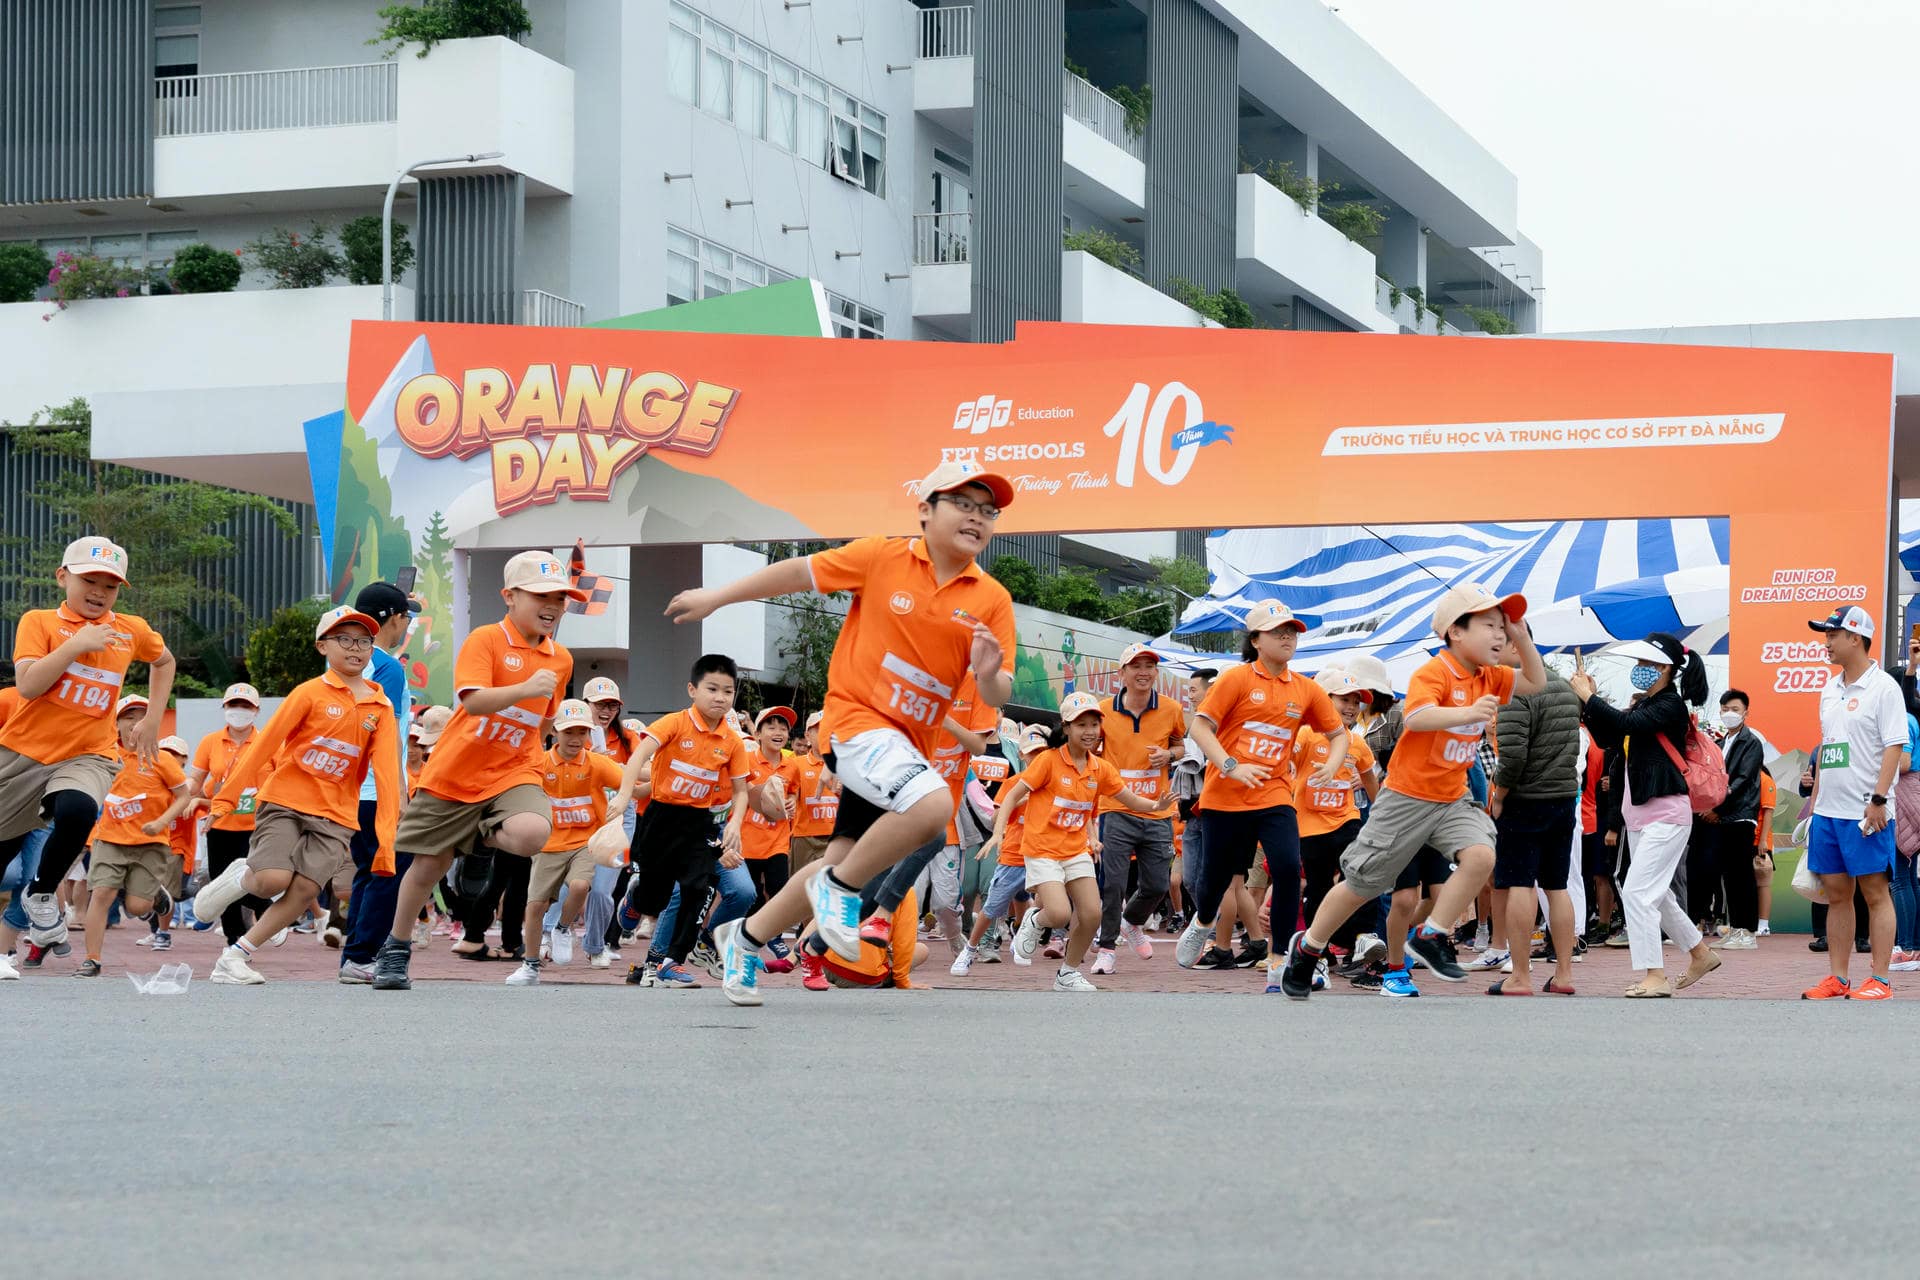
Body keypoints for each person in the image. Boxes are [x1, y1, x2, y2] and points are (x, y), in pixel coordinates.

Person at [664, 460, 1017, 1008]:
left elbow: (996, 695)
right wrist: (717, 597)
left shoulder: (991, 598)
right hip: (854, 724)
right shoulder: (880, 557)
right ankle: (842, 894)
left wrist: (989, 672)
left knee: (838, 857)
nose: (978, 517)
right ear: (925, 511)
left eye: (988, 511)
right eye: (964, 505)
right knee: (931, 811)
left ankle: (746, 937)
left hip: (904, 751)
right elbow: (796, 573)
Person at [1276, 583, 1547, 1000]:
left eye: (1504, 627)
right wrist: (1468, 712)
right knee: (1361, 885)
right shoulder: (1434, 672)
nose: (1501, 635)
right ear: (1456, 632)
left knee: (1481, 856)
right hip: (1405, 799)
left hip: (1452, 798)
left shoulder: (1490, 676)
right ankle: (1308, 948)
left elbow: (1536, 680)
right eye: (1491, 626)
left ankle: (1433, 934)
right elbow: (1418, 718)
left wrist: (1523, 636)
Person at [370, 551, 583, 990]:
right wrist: (524, 687)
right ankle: (395, 948)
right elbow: (472, 701)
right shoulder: (486, 640)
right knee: (427, 867)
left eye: (560, 597)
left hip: (514, 770)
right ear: (509, 596)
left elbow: (543, 721)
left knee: (531, 835)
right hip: (455, 772)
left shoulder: (561, 659)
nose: (553, 605)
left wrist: (537, 744)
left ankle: (483, 843)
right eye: (542, 595)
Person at [195, 606, 404, 985]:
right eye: (344, 639)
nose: (355, 648)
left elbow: (388, 775)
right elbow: (264, 747)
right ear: (322, 646)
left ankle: (235, 957)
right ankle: (242, 876)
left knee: (305, 889)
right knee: (272, 880)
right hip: (286, 801)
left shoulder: (381, 707)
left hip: (337, 815)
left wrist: (386, 843)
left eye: (364, 641)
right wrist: (224, 799)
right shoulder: (308, 693)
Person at [0, 537, 175, 953]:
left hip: (88, 754)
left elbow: (163, 660)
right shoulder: (38, 622)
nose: (98, 592)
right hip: (23, 755)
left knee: (79, 810)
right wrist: (76, 644)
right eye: (88, 580)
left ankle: (42, 893)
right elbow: (28, 684)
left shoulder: (130, 629)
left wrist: (152, 719)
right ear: (63, 577)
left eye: (110, 586)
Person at [1176, 600, 1346, 985]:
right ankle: (1202, 922)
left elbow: (1337, 734)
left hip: (1274, 795)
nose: (1287, 637)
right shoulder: (1236, 680)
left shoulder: (1305, 688)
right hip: (1224, 797)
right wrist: (1232, 766)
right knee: (1215, 880)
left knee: (1287, 868)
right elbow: (1200, 729)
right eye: (1277, 631)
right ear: (1255, 640)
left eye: (1292, 631)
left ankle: (1278, 958)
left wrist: (1333, 765)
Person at [983, 692, 1176, 992]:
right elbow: (1011, 794)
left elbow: (1128, 798)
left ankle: (1068, 973)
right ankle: (1034, 921)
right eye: (1081, 725)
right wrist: (998, 833)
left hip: (1076, 851)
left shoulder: (1100, 769)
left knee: (1091, 913)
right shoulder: (1047, 761)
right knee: (1059, 912)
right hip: (1043, 850)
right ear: (1066, 728)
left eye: (1094, 725)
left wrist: (1155, 806)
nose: (1089, 732)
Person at [1569, 632, 1722, 998]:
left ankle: (1655, 975)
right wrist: (1588, 699)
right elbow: (1609, 737)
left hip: (1667, 814)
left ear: (1667, 669)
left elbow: (1628, 727)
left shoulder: (1670, 705)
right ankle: (1699, 953)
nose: (1640, 670)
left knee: (1638, 893)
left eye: (1648, 664)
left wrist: (1591, 698)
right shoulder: (1644, 705)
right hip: (1640, 816)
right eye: (1639, 664)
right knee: (1656, 893)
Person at [601, 654, 752, 989]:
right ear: (692, 690)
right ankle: (634, 900)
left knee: (697, 889)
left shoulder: (732, 741)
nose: (720, 697)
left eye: (727, 692)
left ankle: (672, 961)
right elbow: (638, 755)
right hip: (661, 817)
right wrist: (625, 796)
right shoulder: (674, 723)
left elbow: (741, 792)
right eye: (712, 689)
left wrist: (735, 824)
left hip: (698, 822)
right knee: (655, 898)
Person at [1799, 605, 1905, 1000]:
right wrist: (1815, 801)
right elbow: (1829, 746)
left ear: (1855, 638)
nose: (1826, 643)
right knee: (1838, 896)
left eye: (1832, 635)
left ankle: (1880, 979)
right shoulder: (1830, 689)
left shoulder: (1884, 688)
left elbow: (1895, 746)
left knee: (1875, 892)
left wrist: (1879, 799)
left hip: (1866, 810)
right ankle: (1838, 977)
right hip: (1828, 812)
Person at [71, 697, 195, 976]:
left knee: (137, 907)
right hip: (109, 839)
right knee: (101, 893)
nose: (135, 723)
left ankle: (155, 897)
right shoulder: (104, 755)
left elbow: (183, 796)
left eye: (142, 716)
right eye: (128, 717)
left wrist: (161, 820)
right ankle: (92, 960)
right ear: (116, 724)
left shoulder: (161, 758)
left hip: (150, 844)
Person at [505, 700, 626, 987]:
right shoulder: (540, 764)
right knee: (534, 906)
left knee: (581, 886)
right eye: (569, 732)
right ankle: (530, 966)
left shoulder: (597, 763)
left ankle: (562, 928)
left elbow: (632, 781)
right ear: (554, 733)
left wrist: (656, 781)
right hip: (547, 846)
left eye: (582, 733)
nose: (576, 739)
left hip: (586, 843)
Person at [1484, 644, 1582, 995]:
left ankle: (1520, 976)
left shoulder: (1516, 690)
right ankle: (1564, 975)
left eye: (1500, 643)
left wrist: (1499, 796)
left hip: (1525, 800)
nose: (1493, 652)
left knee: (1520, 883)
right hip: (1562, 798)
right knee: (1556, 887)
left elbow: (1511, 756)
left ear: (1517, 646)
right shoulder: (1567, 691)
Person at [336, 582, 415, 984]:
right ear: (392, 618)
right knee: (389, 871)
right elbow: (390, 732)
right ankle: (363, 954)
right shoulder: (387, 667)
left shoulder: (348, 663)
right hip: (377, 787)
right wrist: (398, 790)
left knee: (369, 871)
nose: (407, 624)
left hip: (350, 787)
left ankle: (354, 956)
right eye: (406, 616)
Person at [1092, 644, 1186, 974]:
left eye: (1149, 665)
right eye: (1135, 666)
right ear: (1122, 674)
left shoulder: (1172, 708)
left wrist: (1169, 756)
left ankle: (1132, 922)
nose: (1143, 671)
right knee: (1113, 883)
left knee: (1159, 885)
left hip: (1158, 811)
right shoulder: (1103, 711)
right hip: (1115, 808)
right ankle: (1106, 949)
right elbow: (1089, 747)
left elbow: (1181, 744)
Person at [1292, 668, 1382, 989]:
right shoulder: (1305, 735)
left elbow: (1373, 787)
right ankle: (1319, 956)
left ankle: (1362, 936)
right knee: (1317, 888)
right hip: (1309, 827)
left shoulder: (1357, 743)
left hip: (1347, 819)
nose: (1351, 707)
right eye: (1344, 699)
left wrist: (1385, 820)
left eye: (1356, 702)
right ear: (1324, 699)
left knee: (1361, 872)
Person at [950, 724, 1050, 976]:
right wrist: (1023, 799)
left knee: (1052, 902)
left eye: (1042, 752)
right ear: (1022, 755)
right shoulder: (1015, 783)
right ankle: (970, 949)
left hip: (1045, 854)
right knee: (992, 906)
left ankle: (1023, 933)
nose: (1036, 758)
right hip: (1014, 855)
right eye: (1031, 753)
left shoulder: (1054, 783)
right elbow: (995, 818)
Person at [1707, 688, 1765, 951]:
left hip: (1741, 815)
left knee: (1742, 874)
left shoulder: (1751, 743)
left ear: (1746, 713)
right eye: (1726, 709)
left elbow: (1741, 781)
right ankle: (1735, 928)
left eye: (1735, 709)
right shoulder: (1720, 744)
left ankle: (1748, 931)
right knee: (1729, 875)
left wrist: (1718, 805)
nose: (1730, 714)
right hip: (1723, 818)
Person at [788, 711, 840, 877]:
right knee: (799, 889)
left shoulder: (845, 764)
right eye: (820, 730)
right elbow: (789, 796)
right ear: (808, 735)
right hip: (804, 837)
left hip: (837, 837)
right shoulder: (795, 764)